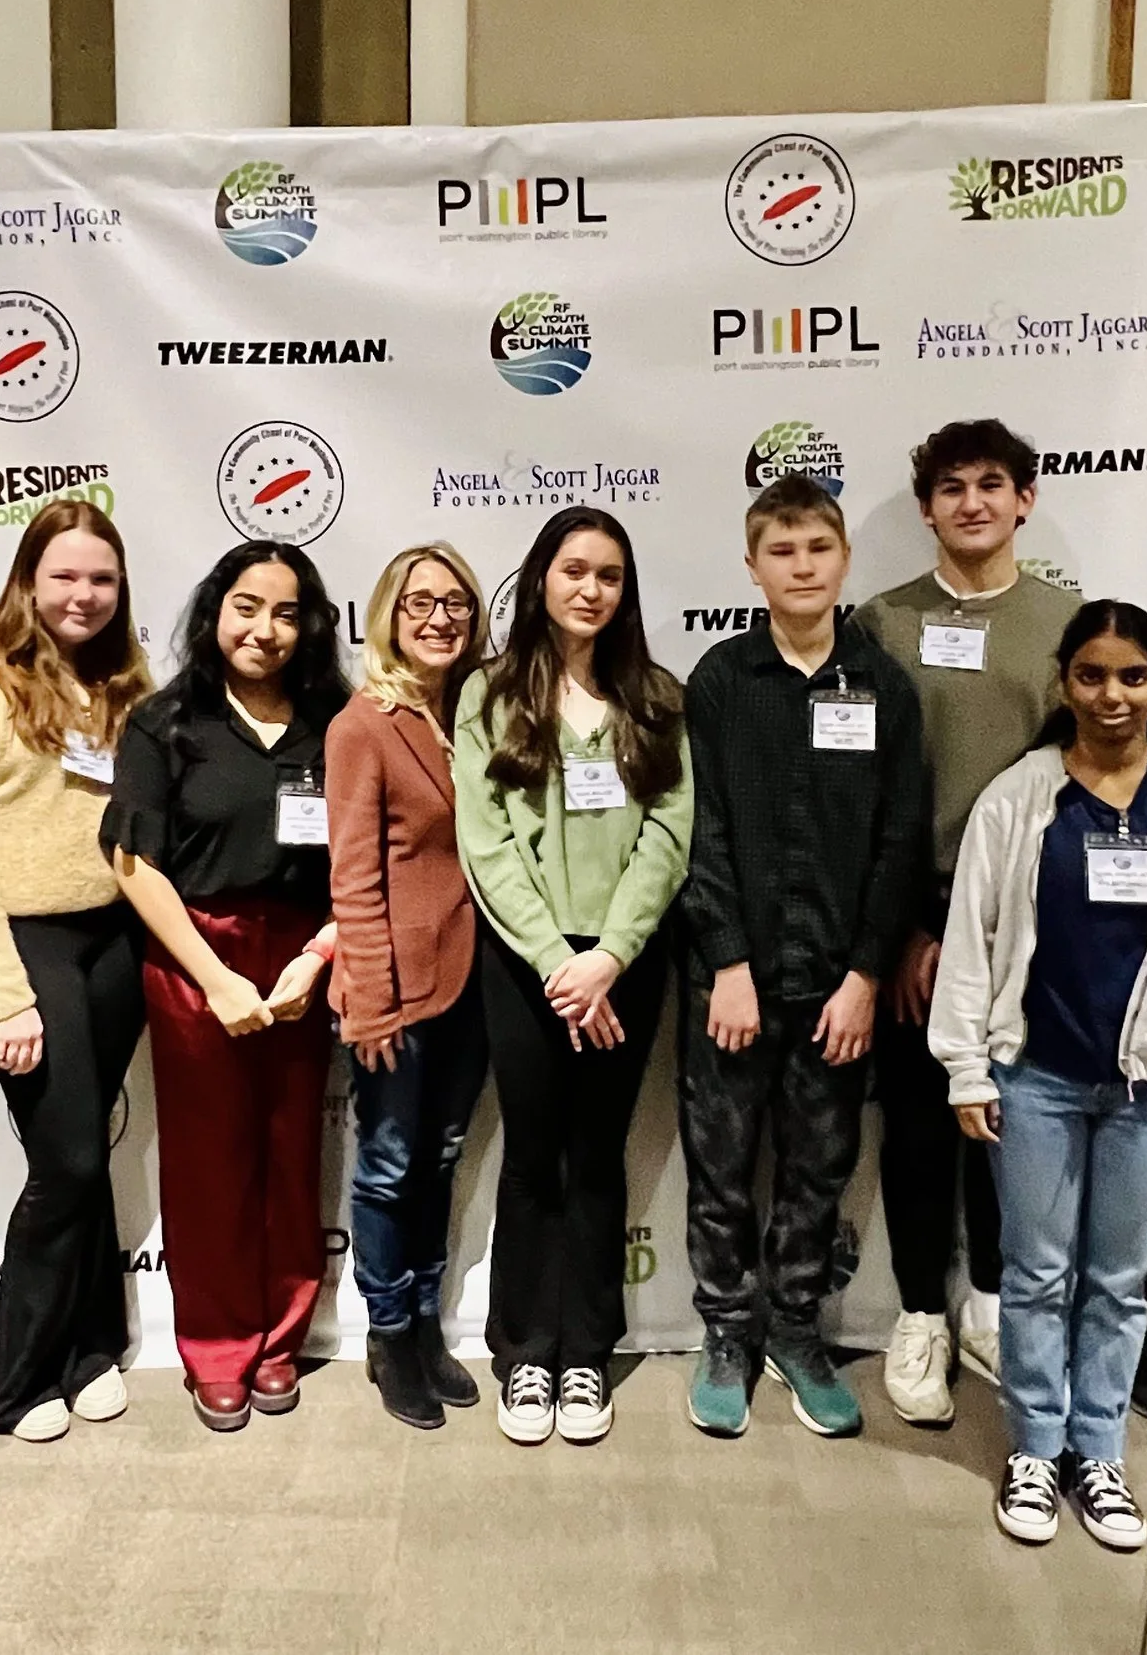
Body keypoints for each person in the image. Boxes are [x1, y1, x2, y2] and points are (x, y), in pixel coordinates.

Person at [932, 601, 1147, 1553]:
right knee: (1035, 1274)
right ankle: (1036, 1445)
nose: (1113, 695)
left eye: (1134, 676)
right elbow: (972, 937)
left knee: (1118, 1282)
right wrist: (965, 1067)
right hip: (1036, 1075)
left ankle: (1097, 1448)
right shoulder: (1020, 796)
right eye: (1093, 675)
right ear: (1064, 682)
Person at [678, 474, 927, 1441]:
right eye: (781, 552)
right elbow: (698, 829)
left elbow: (900, 843)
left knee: (819, 1169)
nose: (802, 566)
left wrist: (866, 974)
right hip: (730, 984)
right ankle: (726, 1333)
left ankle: (794, 1331)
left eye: (818, 548)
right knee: (721, 1169)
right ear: (753, 566)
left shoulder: (885, 687)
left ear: (844, 559)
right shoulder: (719, 680)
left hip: (836, 986)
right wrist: (728, 960)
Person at [851, 418, 1081, 1424]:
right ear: (927, 509)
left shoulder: (1068, 626)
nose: (972, 502)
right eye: (952, 487)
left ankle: (989, 1299)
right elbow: (861, 788)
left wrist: (998, 929)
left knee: (1005, 1119)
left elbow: (1078, 781)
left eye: (992, 484)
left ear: (1025, 500)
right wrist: (903, 927)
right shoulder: (881, 623)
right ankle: (918, 1315)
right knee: (915, 1122)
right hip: (910, 916)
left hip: (1027, 923)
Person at [454, 507, 693, 1446]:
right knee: (532, 1155)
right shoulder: (488, 694)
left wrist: (610, 954)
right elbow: (486, 843)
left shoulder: (657, 696)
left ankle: (586, 1351)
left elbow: (670, 831)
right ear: (540, 579)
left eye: (610, 575)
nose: (591, 588)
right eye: (574, 569)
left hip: (623, 963)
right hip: (527, 966)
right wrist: (559, 961)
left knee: (597, 1155)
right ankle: (526, 1351)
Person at [0, 499, 153, 1442]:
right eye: (64, 575)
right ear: (27, 579)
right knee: (65, 1160)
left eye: (101, 578)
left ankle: (91, 1346)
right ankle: (15, 1374)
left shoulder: (128, 684)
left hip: (117, 940)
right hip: (28, 943)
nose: (83, 594)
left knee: (88, 1146)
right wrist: (7, 992)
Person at [106, 542, 348, 1433]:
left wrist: (315, 958)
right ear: (216, 612)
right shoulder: (166, 721)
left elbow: (370, 854)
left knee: (291, 1155)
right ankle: (215, 1347)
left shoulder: (335, 721)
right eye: (247, 606)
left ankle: (281, 1335)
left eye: (286, 612)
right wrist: (215, 979)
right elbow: (133, 862)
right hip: (195, 957)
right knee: (209, 1166)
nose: (265, 629)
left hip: (304, 959)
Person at [326, 544, 492, 1430]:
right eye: (420, 601)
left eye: (455, 603)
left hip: (476, 979)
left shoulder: (477, 711)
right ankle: (389, 1333)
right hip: (397, 987)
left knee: (440, 1156)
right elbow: (354, 877)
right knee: (389, 1166)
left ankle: (426, 1319)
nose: (439, 617)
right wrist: (372, 996)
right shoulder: (364, 724)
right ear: (389, 614)